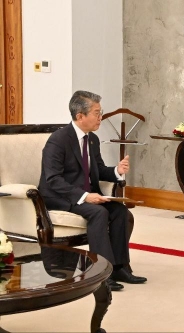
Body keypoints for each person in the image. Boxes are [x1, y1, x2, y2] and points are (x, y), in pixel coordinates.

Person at [38, 90, 147, 291]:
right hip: (61, 198)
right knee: (99, 213)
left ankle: (119, 267)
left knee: (121, 212)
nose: (101, 117)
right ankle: (100, 274)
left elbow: (98, 170)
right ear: (80, 116)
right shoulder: (58, 140)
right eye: (97, 113)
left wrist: (117, 170)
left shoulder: (92, 139)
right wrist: (85, 196)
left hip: (88, 194)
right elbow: (52, 180)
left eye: (100, 112)